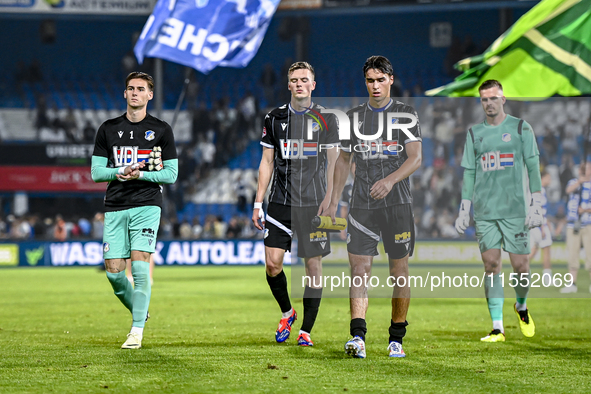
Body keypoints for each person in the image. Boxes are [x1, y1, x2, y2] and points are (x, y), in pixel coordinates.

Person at [327, 55, 422, 358]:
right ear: (365, 82)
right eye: (370, 80)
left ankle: (396, 338)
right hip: (362, 205)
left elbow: (415, 158)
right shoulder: (353, 118)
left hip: (397, 203)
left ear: (391, 80)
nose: (376, 85)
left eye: (381, 79)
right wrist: (333, 202)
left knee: (399, 272)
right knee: (359, 269)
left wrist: (391, 180)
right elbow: (343, 160)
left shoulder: (406, 114)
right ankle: (358, 337)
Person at [252, 61, 339, 347]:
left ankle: (306, 331)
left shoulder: (327, 119)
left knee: (312, 267)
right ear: (288, 85)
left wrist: (330, 199)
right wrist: (257, 201)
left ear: (313, 85)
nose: (299, 83)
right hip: (279, 203)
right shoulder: (274, 118)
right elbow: (266, 162)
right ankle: (288, 313)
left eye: (304, 79)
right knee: (273, 264)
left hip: (314, 205)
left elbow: (334, 161)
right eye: (294, 80)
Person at [91, 71, 178, 349]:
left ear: (150, 95)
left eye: (141, 89)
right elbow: (95, 173)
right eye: (131, 88)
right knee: (114, 274)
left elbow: (171, 175)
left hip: (146, 204)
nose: (135, 93)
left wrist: (140, 176)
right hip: (115, 205)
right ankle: (140, 310)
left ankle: (136, 331)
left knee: (140, 269)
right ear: (125, 94)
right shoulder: (107, 128)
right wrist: (121, 172)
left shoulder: (162, 130)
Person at [455, 79, 542, 343]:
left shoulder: (520, 127)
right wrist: (464, 208)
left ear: (503, 99)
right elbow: (469, 173)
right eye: (484, 99)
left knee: (521, 266)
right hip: (485, 211)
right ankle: (497, 327)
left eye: (493, 98)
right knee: (491, 265)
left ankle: (521, 306)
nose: (489, 103)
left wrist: (536, 202)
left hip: (515, 209)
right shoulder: (474, 133)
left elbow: (533, 166)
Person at [560, 161, 591, 293]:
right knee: (573, 254)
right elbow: (568, 190)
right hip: (573, 224)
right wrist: (580, 181)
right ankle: (572, 283)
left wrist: (585, 210)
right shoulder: (574, 182)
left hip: (588, 224)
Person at [528, 170, 554, 285]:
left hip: (534, 225)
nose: (550, 180)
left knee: (533, 250)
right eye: (548, 178)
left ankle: (519, 274)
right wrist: (543, 227)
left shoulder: (534, 190)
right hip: (539, 225)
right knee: (547, 250)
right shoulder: (540, 191)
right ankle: (547, 279)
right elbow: (539, 210)